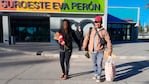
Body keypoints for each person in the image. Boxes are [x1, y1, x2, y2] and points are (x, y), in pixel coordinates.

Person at [82, 16, 112, 82]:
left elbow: (108, 41)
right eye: (96, 22)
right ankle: (95, 74)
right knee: (94, 63)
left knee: (99, 63)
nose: (97, 23)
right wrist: (84, 46)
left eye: (99, 22)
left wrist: (110, 50)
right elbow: (86, 38)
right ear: (94, 22)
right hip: (92, 50)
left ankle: (99, 76)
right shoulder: (91, 30)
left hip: (100, 50)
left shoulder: (104, 31)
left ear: (101, 23)